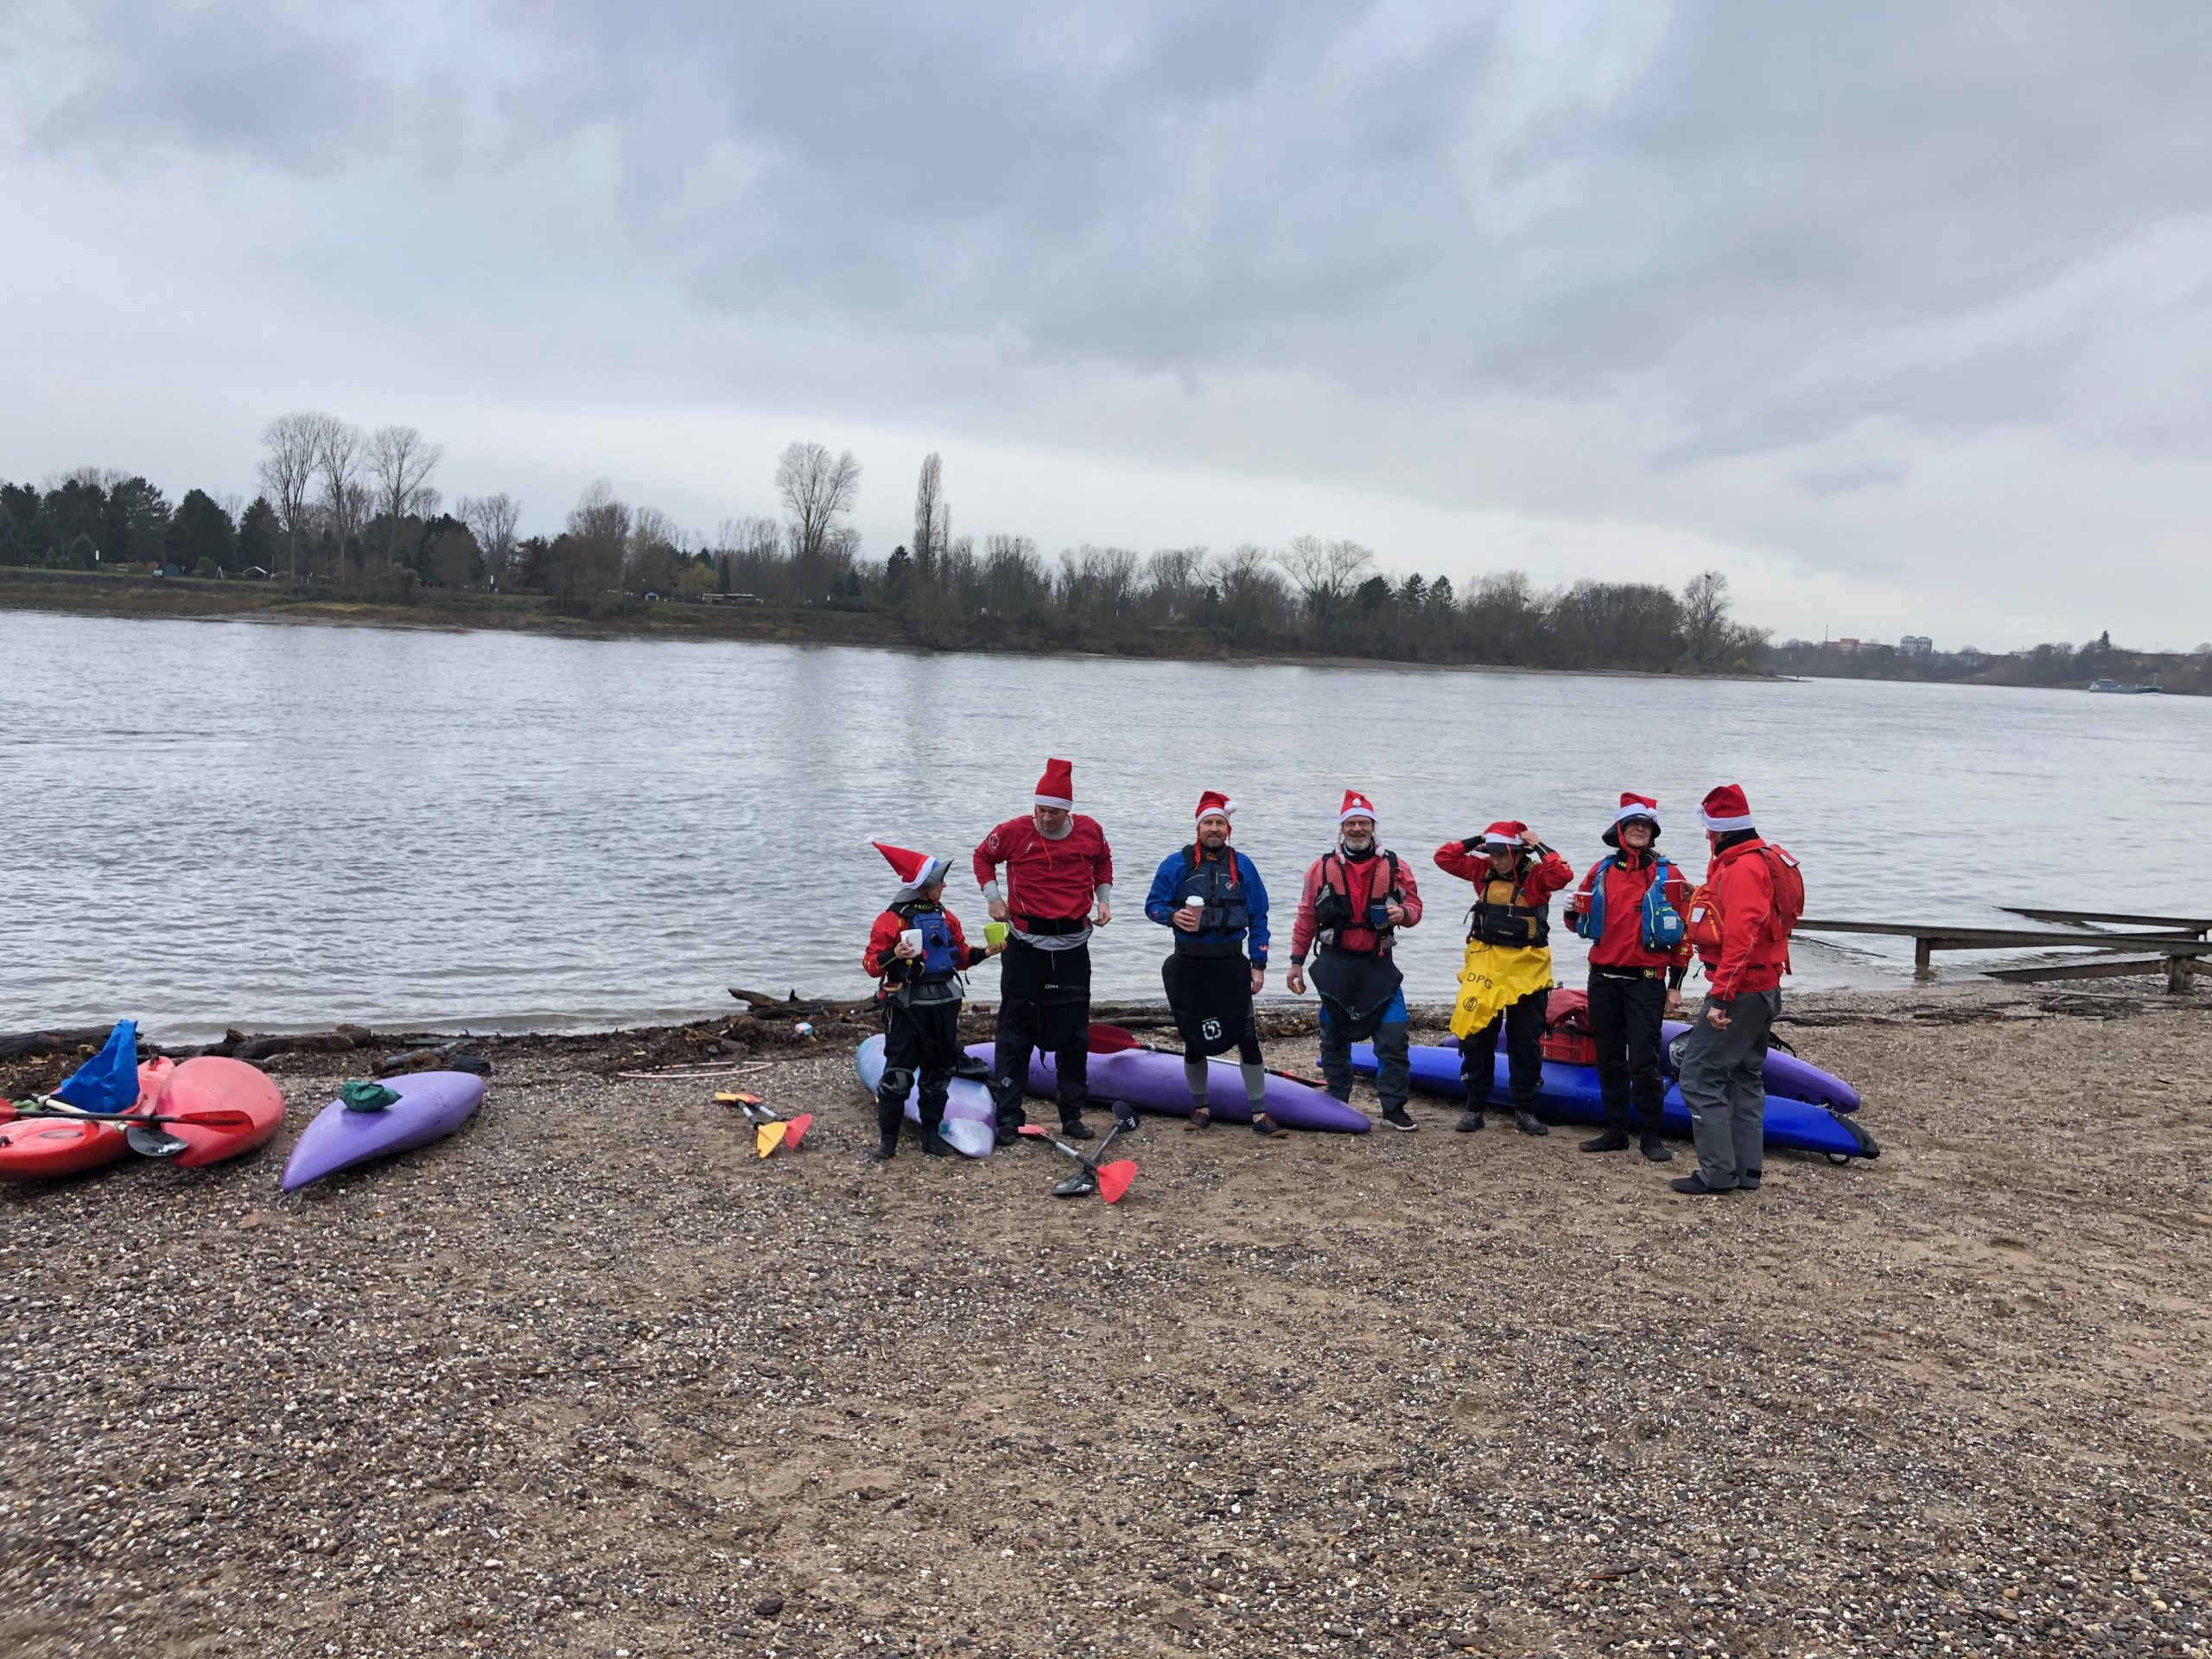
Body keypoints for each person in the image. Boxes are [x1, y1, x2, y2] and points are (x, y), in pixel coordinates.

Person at [975, 758, 1115, 1144]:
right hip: (1025, 944)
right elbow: (982, 857)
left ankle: (1071, 1115)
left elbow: (1103, 861)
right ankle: (1008, 1116)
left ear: (1067, 810)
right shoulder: (1015, 832)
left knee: (1075, 1034)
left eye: (1054, 812)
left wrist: (1103, 900)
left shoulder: (1089, 831)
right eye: (1041, 810)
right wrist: (993, 897)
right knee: (1015, 1031)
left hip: (1072, 945)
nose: (1046, 818)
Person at [1672, 783, 1802, 1196]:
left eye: (1708, 829)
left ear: (1718, 830)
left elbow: (1742, 935)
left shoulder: (1742, 868)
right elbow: (1751, 924)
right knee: (1745, 1075)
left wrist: (1721, 997)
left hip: (1740, 991)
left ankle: (1717, 1174)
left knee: (1698, 1076)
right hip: (1764, 986)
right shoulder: (1758, 860)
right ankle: (1747, 1171)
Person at [1143, 790, 1285, 1137]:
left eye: (1220, 823)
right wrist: (1172, 916)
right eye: (1208, 822)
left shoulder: (1244, 866)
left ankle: (1259, 1113)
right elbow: (1152, 905)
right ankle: (1200, 1109)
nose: (1214, 828)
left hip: (1231, 963)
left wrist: (1259, 964)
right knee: (1194, 1038)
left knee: (1248, 1036)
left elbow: (1260, 917)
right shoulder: (1176, 864)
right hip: (1190, 963)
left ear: (1228, 829)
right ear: (1198, 827)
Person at [1562, 793, 1691, 1162]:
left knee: (1644, 1061)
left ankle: (1651, 1137)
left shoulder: (1669, 874)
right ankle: (1616, 1132)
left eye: (1645, 825)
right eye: (1633, 823)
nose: (1639, 829)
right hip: (1602, 978)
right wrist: (1570, 911)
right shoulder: (1601, 870)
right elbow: (1577, 924)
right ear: (1619, 829)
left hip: (1646, 981)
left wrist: (1675, 986)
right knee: (1609, 1058)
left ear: (1652, 832)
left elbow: (1685, 935)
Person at [1285, 791, 1423, 1129]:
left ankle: (1393, 1109)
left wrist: (1401, 913)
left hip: (1378, 964)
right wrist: (1296, 962)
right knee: (1334, 1039)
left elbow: (1416, 909)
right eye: (1351, 823)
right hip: (1335, 965)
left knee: (1393, 1038)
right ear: (1341, 828)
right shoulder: (1321, 867)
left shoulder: (1396, 866)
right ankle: (1337, 1103)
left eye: (1364, 823)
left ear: (1373, 827)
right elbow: (1305, 916)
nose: (1358, 829)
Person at [861, 841, 1000, 1160]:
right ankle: (888, 1141)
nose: (944, 885)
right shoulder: (891, 921)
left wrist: (988, 952)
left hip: (943, 1004)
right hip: (906, 1008)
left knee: (938, 1073)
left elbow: (960, 957)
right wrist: (893, 953)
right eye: (940, 882)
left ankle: (930, 1135)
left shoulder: (946, 917)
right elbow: (870, 965)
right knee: (897, 1075)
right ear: (924, 887)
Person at [1433, 822, 1574, 1135]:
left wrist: (1538, 844)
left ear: (1518, 853)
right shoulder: (1480, 871)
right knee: (1476, 1035)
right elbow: (1443, 857)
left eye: (1500, 853)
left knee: (1525, 1040)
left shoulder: (1537, 875)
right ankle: (1474, 1107)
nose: (1494, 859)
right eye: (1491, 853)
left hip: (1528, 968)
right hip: (1486, 962)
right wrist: (1479, 838)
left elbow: (1563, 875)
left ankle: (1525, 1110)